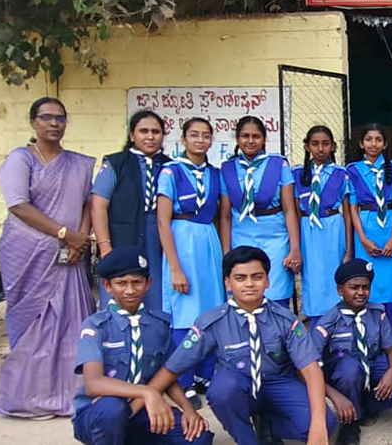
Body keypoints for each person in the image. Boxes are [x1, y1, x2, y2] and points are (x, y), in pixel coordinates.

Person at [149, 246, 337, 445]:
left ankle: (269, 426)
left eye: (257, 277)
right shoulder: (212, 322)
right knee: (222, 390)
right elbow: (173, 368)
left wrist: (318, 423)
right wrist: (146, 396)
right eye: (240, 278)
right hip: (238, 386)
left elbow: (311, 370)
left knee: (326, 423)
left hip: (278, 383)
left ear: (267, 281)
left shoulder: (285, 319)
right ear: (228, 283)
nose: (249, 284)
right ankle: (247, 440)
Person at [0, 97, 96, 418]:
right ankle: (30, 394)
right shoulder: (21, 159)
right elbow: (18, 205)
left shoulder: (78, 164)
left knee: (72, 321)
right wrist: (65, 234)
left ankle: (74, 392)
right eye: (46, 117)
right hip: (29, 254)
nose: (54, 123)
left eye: (60, 118)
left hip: (71, 255)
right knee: (35, 323)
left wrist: (80, 239)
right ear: (33, 122)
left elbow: (88, 203)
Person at [72, 246, 214, 445]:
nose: (130, 290)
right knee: (112, 409)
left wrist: (187, 409)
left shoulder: (159, 324)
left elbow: (167, 374)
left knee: (199, 437)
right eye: (121, 283)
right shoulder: (96, 326)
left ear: (148, 284)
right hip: (98, 414)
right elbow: (93, 383)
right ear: (107, 286)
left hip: (142, 410)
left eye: (137, 282)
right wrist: (146, 392)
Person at [157, 118, 224, 407]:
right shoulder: (170, 171)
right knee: (184, 313)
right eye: (194, 135)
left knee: (211, 310)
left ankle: (205, 374)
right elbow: (162, 221)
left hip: (208, 241)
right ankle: (182, 380)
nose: (200, 140)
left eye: (206, 136)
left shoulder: (215, 173)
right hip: (181, 240)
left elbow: (221, 215)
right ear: (183, 139)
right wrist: (175, 267)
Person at [315, 259, 392, 445]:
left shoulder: (377, 313)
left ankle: (361, 407)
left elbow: (391, 348)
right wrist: (334, 396)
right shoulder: (328, 322)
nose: (360, 292)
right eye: (354, 287)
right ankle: (350, 423)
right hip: (345, 376)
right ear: (340, 290)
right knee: (349, 368)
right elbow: (310, 366)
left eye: (365, 287)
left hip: (371, 366)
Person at [92, 110, 170, 311]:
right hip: (122, 240)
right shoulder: (116, 163)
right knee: (122, 293)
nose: (150, 136)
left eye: (156, 132)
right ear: (132, 135)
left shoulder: (171, 166)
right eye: (144, 131)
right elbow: (98, 205)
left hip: (159, 240)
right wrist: (105, 247)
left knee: (157, 295)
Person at [219, 116, 301, 306]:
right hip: (241, 236)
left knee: (276, 293)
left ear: (264, 139)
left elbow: (289, 210)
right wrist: (226, 252)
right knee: (246, 292)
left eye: (256, 136)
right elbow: (225, 215)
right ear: (237, 139)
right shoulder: (227, 168)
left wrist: (295, 249)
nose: (250, 141)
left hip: (276, 238)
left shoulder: (279, 164)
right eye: (245, 136)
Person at [347, 123, 392, 335]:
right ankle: (370, 333)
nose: (373, 144)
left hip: (390, 227)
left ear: (385, 144)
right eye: (369, 139)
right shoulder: (353, 170)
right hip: (366, 227)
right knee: (367, 278)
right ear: (361, 143)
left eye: (378, 139)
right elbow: (352, 208)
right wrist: (362, 238)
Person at [293, 125, 352, 326]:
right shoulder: (297, 173)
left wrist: (349, 249)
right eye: (315, 144)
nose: (320, 149)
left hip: (333, 228)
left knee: (335, 275)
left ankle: (339, 323)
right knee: (313, 278)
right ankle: (317, 325)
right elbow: (294, 210)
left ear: (333, 146)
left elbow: (347, 213)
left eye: (325, 144)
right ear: (306, 146)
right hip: (307, 229)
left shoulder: (341, 173)